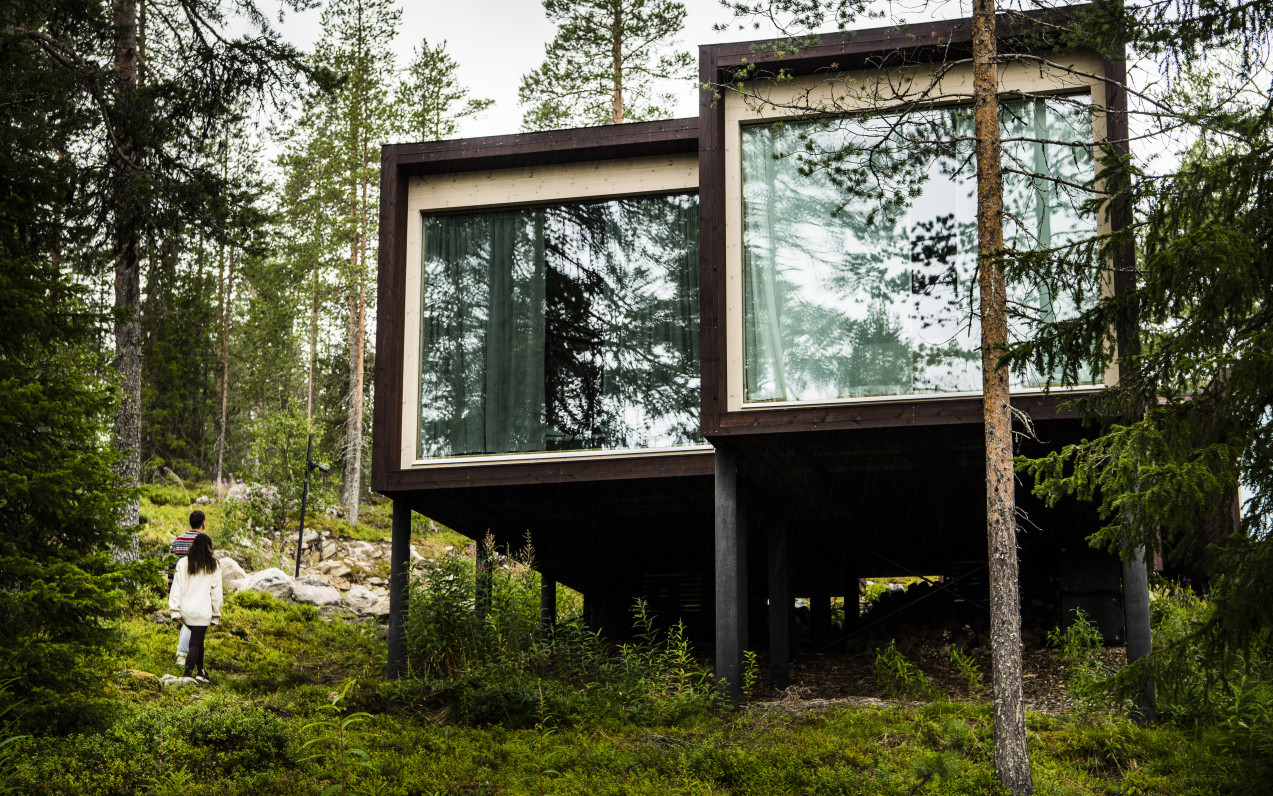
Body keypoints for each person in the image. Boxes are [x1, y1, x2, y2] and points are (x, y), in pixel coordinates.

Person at [168, 532, 222, 683]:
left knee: (198, 641)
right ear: (209, 548)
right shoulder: (214, 565)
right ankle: (186, 676)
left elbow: (176, 587)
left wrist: (174, 609)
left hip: (186, 610)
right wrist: (215, 614)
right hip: (203, 611)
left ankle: (201, 671)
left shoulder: (183, 562)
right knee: (194, 644)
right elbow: (216, 593)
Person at [169, 512, 205, 666]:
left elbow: (171, 566)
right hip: (195, 588)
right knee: (192, 621)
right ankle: (183, 654)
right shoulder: (204, 541)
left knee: (188, 620)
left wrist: (170, 589)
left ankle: (185, 653)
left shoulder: (177, 541)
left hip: (179, 585)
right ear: (203, 523)